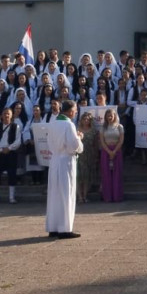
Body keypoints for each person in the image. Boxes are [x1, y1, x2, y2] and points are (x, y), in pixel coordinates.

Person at [46, 100, 83, 238]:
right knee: (66, 194)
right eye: (75, 109)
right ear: (69, 110)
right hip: (66, 161)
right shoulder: (69, 124)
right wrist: (79, 139)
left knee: (54, 194)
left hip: (55, 160)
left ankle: (53, 227)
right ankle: (65, 228)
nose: (76, 112)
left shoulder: (53, 122)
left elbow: (50, 143)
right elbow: (73, 146)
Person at [0, 107, 22, 204]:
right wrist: (0, 149)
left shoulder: (16, 127)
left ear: (12, 115)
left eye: (8, 113)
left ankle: (11, 197)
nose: (6, 115)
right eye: (4, 114)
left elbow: (18, 141)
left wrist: (10, 148)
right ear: (2, 116)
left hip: (11, 152)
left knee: (12, 174)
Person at [98, 108, 124, 203]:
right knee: (106, 174)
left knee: (117, 174)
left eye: (111, 115)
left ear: (114, 116)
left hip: (117, 150)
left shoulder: (119, 127)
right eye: (108, 116)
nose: (109, 117)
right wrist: (109, 152)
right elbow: (102, 141)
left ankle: (117, 196)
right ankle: (107, 197)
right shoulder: (103, 128)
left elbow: (121, 140)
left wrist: (114, 151)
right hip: (106, 151)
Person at [76, 112, 99, 203]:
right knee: (78, 177)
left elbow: (96, 144)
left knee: (86, 178)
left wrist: (96, 156)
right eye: (84, 119)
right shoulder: (77, 130)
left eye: (88, 119)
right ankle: (79, 197)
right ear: (81, 120)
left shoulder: (94, 131)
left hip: (89, 155)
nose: (86, 121)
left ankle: (85, 196)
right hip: (79, 156)